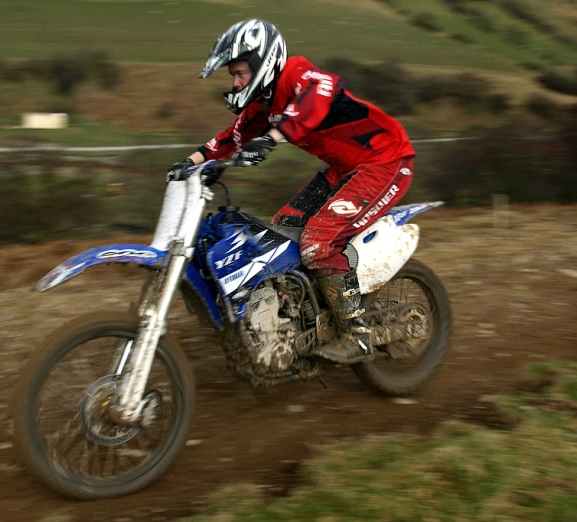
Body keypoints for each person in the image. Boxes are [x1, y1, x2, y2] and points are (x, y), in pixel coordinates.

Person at [168, 19, 416, 365]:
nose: (236, 82)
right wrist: (189, 164)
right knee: (282, 231)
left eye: (240, 73)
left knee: (317, 241)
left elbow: (314, 101)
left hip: (384, 162)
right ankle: (305, 320)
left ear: (262, 62)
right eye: (233, 76)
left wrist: (272, 138)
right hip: (343, 171)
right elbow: (229, 139)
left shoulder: (301, 76)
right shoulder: (264, 105)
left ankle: (356, 334)